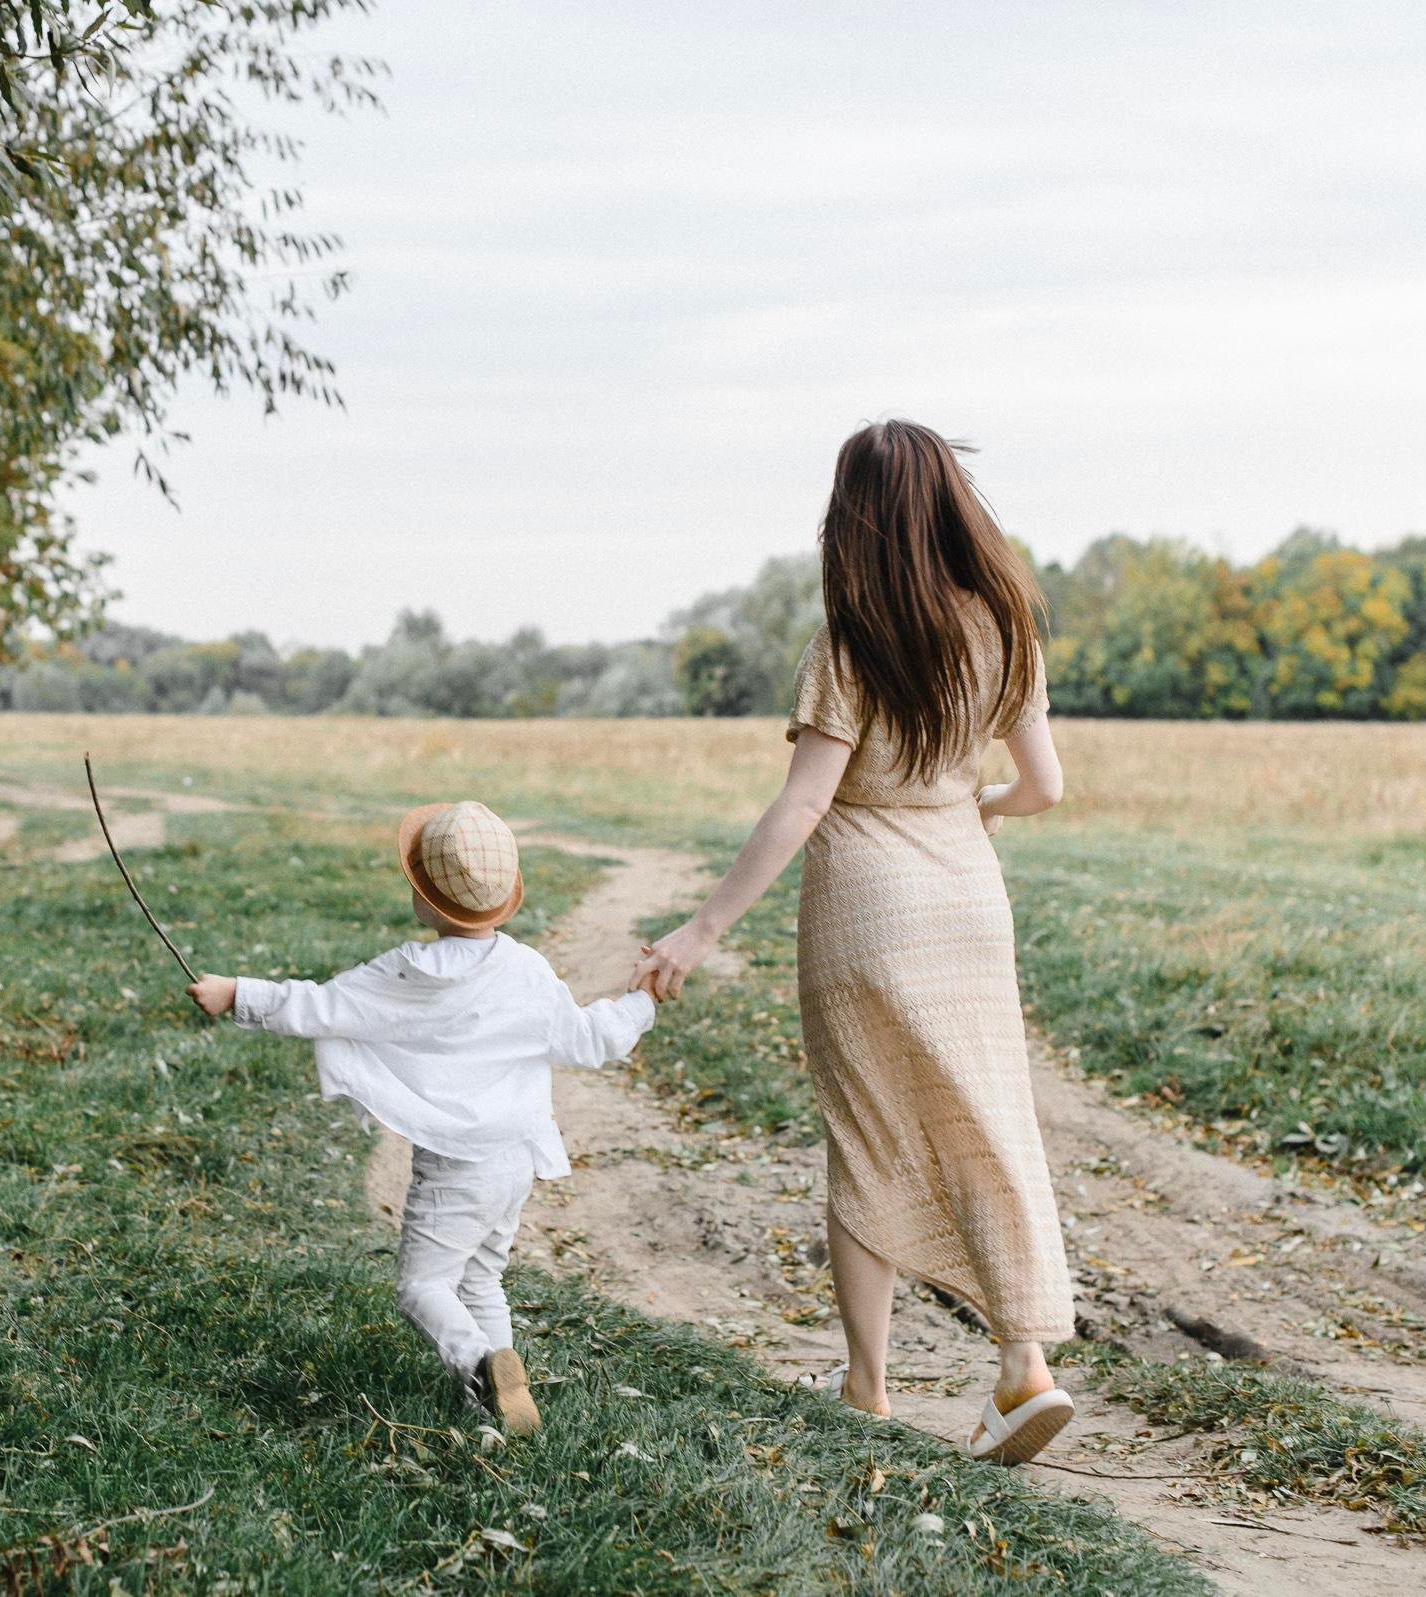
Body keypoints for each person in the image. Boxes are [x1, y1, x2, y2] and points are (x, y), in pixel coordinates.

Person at [631, 419, 1077, 1465]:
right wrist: (982, 806)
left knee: (869, 1136)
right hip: (970, 903)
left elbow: (799, 809)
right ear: (954, 502)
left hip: (866, 908)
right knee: (989, 1123)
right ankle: (1024, 1366)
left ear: (854, 521)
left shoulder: (850, 643)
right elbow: (1049, 786)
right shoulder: (1004, 629)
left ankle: (868, 1387)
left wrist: (699, 931)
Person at [187, 799, 659, 1438]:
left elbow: (323, 1007)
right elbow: (587, 1038)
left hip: (458, 1166)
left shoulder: (408, 972)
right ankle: (496, 1405)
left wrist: (237, 994)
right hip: (516, 1159)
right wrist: (639, 1002)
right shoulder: (527, 970)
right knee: (482, 1276)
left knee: (423, 1286)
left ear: (429, 899)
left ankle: (478, 1363)